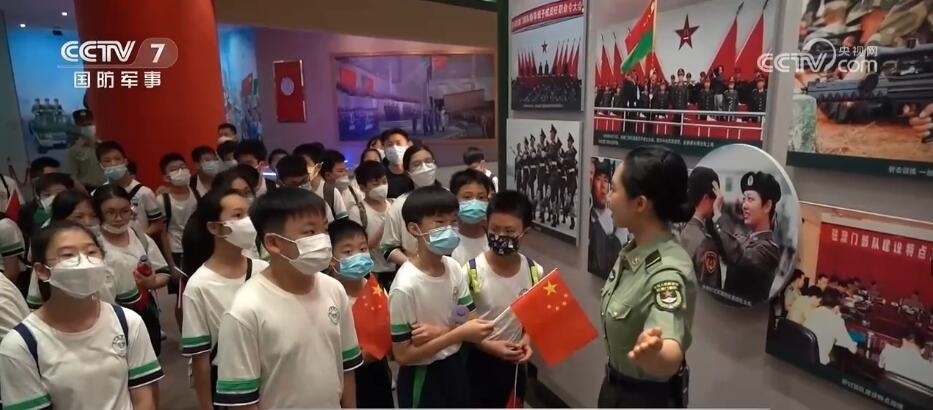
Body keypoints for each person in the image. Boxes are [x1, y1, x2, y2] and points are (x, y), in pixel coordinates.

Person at [214, 188, 363, 408]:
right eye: (310, 232)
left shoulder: (334, 289)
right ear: (274, 243)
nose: (323, 240)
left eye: (324, 229)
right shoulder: (245, 311)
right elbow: (242, 402)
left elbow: (346, 367)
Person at [0, 221, 162, 409]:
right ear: (42, 271)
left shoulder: (127, 322)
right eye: (68, 255)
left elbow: (144, 398)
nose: (84, 263)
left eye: (91, 252)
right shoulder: (21, 345)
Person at [599, 146, 696, 408]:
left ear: (640, 204)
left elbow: (670, 347)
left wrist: (657, 356)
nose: (608, 197)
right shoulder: (635, 250)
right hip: (615, 389)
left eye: (614, 189)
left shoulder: (667, 271)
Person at [389, 185, 493, 408]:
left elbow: (467, 317)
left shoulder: (453, 267)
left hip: (454, 365)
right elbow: (403, 355)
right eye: (439, 222)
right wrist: (458, 333)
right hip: (422, 376)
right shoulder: (405, 287)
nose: (450, 229)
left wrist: (441, 332)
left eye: (453, 222)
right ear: (414, 228)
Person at [181, 188, 268, 410]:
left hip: (270, 374)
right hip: (230, 384)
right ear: (214, 227)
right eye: (238, 215)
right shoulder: (199, 286)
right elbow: (200, 358)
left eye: (249, 214)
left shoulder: (264, 271)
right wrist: (206, 406)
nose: (248, 222)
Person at [463, 190, 538, 408]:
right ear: (486, 228)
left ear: (524, 232)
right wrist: (489, 347)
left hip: (514, 364)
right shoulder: (470, 271)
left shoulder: (534, 271)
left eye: (509, 231)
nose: (500, 236)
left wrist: (527, 341)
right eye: (495, 230)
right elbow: (459, 323)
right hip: (476, 361)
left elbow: (535, 317)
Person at [93, 184, 170, 356]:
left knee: (148, 357)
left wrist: (152, 282)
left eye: (125, 211)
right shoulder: (91, 242)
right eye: (111, 212)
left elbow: (163, 273)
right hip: (107, 317)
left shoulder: (137, 235)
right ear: (98, 213)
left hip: (144, 310)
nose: (119, 218)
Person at [327, 219, 395, 408]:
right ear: (330, 258)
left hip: (377, 374)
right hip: (340, 379)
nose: (357, 256)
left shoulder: (376, 289)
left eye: (363, 249)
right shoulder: (326, 295)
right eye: (348, 252)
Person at [712, 171, 781, 303]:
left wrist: (718, 217)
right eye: (744, 199)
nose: (744, 205)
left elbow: (738, 256)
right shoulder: (743, 239)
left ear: (767, 206)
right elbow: (724, 242)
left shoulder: (769, 250)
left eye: (750, 199)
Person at [380, 142, 440, 265]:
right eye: (417, 164)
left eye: (428, 161)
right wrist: (412, 266)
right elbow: (387, 248)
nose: (424, 167)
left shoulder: (448, 197)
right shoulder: (400, 205)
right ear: (408, 172)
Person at [158, 153, 198, 327]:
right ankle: (184, 333)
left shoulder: (197, 194)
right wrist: (171, 265)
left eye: (183, 167)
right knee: (182, 297)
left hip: (197, 249)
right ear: (166, 177)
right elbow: (162, 234)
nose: (180, 171)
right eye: (174, 169)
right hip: (176, 251)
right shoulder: (162, 200)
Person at [97, 141, 165, 239]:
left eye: (117, 159)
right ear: (101, 165)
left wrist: (140, 238)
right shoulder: (97, 194)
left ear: (125, 161)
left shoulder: (144, 192)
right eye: (107, 161)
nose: (113, 163)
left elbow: (158, 224)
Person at [348, 161, 397, 290]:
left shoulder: (394, 204)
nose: (382, 186)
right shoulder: (357, 211)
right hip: (374, 272)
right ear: (362, 187)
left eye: (384, 181)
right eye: (376, 184)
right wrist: (385, 225)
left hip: (398, 268)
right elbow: (360, 247)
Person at [680, 167, 723, 289]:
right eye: (716, 198)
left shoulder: (681, 229)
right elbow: (710, 290)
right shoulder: (705, 243)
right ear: (706, 198)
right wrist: (718, 217)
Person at [275, 154, 340, 222]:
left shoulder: (320, 205)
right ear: (281, 183)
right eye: (293, 184)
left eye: (304, 181)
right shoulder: (274, 208)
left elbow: (330, 227)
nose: (300, 187)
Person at [588, 159, 624, 279]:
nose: (603, 186)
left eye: (606, 180)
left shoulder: (617, 219)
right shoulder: (590, 219)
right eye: (598, 179)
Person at [449, 169, 494, 265]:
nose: (474, 203)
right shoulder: (445, 239)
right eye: (467, 197)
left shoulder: (494, 237)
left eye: (481, 197)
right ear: (453, 199)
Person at [803, 288, 857, 365]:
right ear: (837, 307)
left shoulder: (812, 312)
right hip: (819, 363)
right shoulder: (837, 321)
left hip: (802, 357)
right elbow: (853, 349)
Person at [18, 172, 75, 238]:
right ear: (39, 199)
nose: (54, 199)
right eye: (47, 195)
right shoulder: (30, 216)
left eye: (60, 194)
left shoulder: (80, 214)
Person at [64, 109, 106, 191]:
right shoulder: (73, 150)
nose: (87, 127)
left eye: (89, 124)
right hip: (87, 188)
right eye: (82, 125)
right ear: (76, 126)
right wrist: (85, 193)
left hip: (107, 187)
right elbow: (72, 177)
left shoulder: (105, 145)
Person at [380, 128, 415, 199]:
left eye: (398, 143)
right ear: (383, 148)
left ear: (408, 145)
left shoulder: (416, 170)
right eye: (390, 144)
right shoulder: (380, 174)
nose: (394, 148)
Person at [319, 149, 354, 217]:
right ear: (327, 175)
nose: (345, 174)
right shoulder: (319, 196)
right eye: (340, 171)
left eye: (345, 170)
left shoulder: (355, 193)